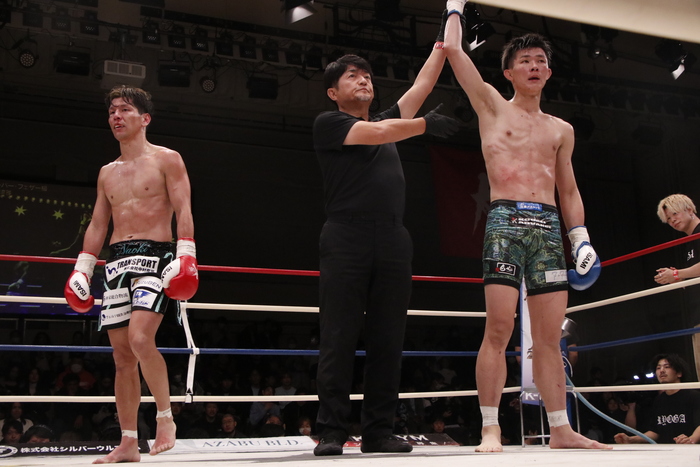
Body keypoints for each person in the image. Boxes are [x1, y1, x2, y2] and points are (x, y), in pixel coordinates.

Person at [442, 0, 609, 452]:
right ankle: (490, 427)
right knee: (498, 329)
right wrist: (455, 6)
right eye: (525, 61)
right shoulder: (492, 107)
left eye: (540, 61)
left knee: (550, 338)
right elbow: (454, 52)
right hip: (505, 223)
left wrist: (581, 239)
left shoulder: (561, 129)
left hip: (548, 230)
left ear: (549, 72)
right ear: (509, 72)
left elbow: (568, 190)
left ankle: (561, 429)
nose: (534, 66)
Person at [312, 12, 460, 456]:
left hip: (394, 237)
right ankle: (332, 431)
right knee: (338, 335)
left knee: (388, 337)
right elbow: (377, 133)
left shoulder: (387, 122)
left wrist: (444, 37)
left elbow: (422, 86)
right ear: (333, 92)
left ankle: (378, 431)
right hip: (346, 235)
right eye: (352, 76)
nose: (364, 80)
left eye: (368, 76)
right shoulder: (329, 123)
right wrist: (424, 125)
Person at [62, 85, 198, 463]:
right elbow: (98, 223)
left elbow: (184, 208)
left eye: (124, 109)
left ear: (145, 118)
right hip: (117, 261)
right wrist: (83, 266)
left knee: (140, 339)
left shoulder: (167, 159)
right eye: (111, 111)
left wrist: (186, 253)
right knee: (122, 357)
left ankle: (165, 418)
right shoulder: (107, 173)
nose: (116, 116)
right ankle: (127, 442)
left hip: (156, 257)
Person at [655, 194, 700, 379]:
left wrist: (677, 274)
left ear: (689, 209)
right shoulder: (689, 241)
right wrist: (679, 279)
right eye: (668, 219)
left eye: (675, 214)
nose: (672, 220)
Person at [615, 353, 700, 444]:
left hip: (690, 449)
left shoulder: (693, 396)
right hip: (667, 449)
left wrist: (690, 440)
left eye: (667, 367)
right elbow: (655, 432)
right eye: (658, 368)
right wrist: (631, 439)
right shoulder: (659, 400)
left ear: (679, 373)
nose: (661, 371)